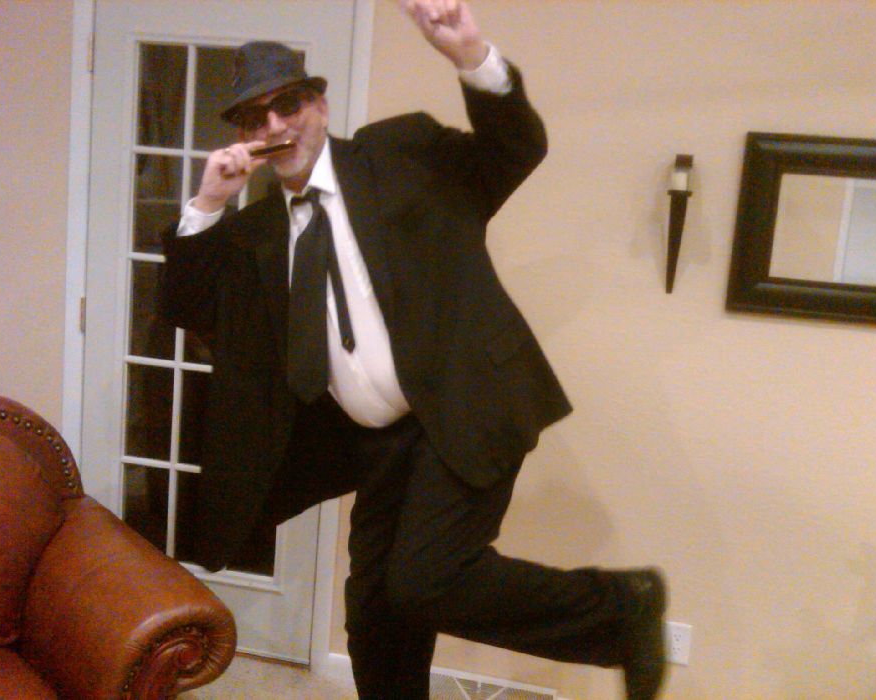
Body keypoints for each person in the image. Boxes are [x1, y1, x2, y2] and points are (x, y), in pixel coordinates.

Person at [161, 1, 667, 698]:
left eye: (288, 105)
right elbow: (186, 307)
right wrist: (207, 206)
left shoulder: (399, 153)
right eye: (254, 118)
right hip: (377, 444)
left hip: (465, 401)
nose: (274, 126)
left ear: (320, 106)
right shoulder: (255, 235)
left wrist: (471, 57)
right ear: (243, 138)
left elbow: (512, 150)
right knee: (376, 615)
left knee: (424, 579)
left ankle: (621, 609)